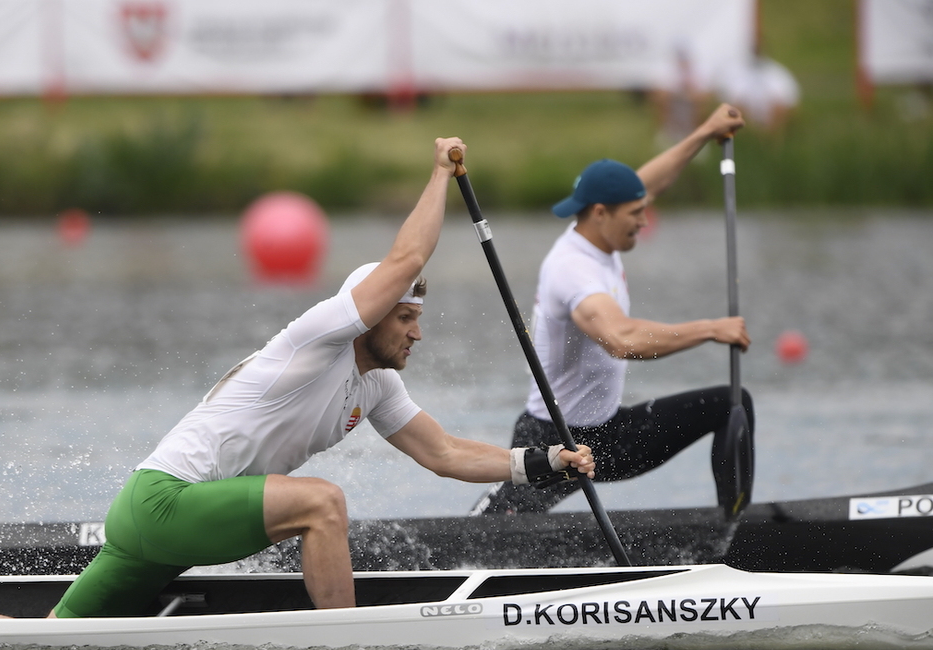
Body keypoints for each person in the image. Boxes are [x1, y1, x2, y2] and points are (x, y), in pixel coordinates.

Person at [49, 137, 595, 618]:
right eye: (405, 318)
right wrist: (438, 174)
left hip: (171, 525)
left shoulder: (377, 385)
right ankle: (343, 646)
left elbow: (447, 454)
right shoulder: (319, 338)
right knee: (322, 503)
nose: (416, 335)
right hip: (163, 503)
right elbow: (405, 260)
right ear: (370, 315)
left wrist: (547, 462)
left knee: (54, 634)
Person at [473, 105, 751, 517]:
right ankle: (487, 522)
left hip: (611, 435)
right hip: (555, 441)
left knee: (731, 402)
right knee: (493, 541)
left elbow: (649, 182)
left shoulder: (602, 226)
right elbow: (622, 340)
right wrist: (709, 328)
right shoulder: (573, 269)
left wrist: (704, 132)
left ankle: (734, 526)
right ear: (601, 212)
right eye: (636, 214)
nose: (644, 221)